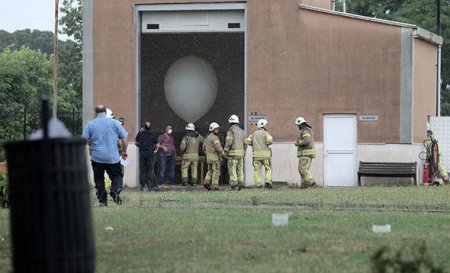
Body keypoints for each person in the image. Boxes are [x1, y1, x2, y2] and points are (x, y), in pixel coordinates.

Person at [82, 105, 128, 206]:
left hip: (97, 157)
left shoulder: (91, 124)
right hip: (113, 157)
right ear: (105, 112)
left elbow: (83, 140)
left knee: (99, 179)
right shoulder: (115, 123)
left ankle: (103, 200)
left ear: (96, 113)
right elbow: (124, 138)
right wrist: (125, 151)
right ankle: (115, 190)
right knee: (117, 176)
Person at [245, 119, 273, 189]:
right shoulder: (265, 133)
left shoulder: (253, 134)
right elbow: (269, 141)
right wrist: (266, 143)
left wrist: (253, 144)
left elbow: (247, 141)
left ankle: (258, 184)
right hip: (265, 156)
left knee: (257, 170)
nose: (267, 126)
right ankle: (268, 182)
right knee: (268, 168)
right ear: (263, 125)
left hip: (256, 156)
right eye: (266, 125)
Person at [135, 121, 160, 191]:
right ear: (150, 128)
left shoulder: (140, 134)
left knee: (142, 170)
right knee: (150, 169)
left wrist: (140, 146)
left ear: (144, 127)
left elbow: (136, 142)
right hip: (150, 154)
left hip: (142, 154)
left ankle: (142, 186)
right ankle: (150, 185)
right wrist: (153, 148)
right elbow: (157, 145)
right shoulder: (153, 134)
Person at [224, 114, 246, 190]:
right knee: (240, 170)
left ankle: (234, 185)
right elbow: (245, 143)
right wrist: (244, 152)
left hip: (232, 155)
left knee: (232, 169)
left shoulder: (231, 131)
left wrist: (225, 152)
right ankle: (241, 184)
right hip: (241, 154)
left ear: (230, 123)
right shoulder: (242, 131)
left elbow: (228, 142)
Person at [294, 117, 317, 188]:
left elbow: (306, 141)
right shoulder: (307, 130)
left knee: (302, 169)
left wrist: (298, 143)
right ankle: (304, 186)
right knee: (303, 171)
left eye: (298, 125)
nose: (297, 127)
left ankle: (312, 183)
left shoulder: (305, 131)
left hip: (306, 154)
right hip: (306, 154)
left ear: (300, 124)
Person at [203, 122, 224, 191]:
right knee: (216, 171)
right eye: (216, 129)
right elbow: (218, 148)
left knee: (210, 171)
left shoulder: (207, 138)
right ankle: (215, 185)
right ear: (212, 130)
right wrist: (223, 154)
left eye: (217, 129)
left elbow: (203, 148)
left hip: (208, 158)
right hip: (215, 158)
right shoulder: (215, 138)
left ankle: (206, 182)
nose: (217, 130)